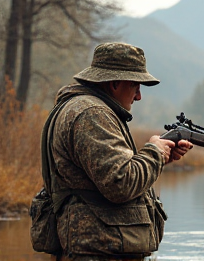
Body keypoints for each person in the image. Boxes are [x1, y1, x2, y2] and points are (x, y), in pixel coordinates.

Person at [47, 42, 193, 261]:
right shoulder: (92, 114)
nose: (139, 96)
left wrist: (160, 158)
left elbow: (103, 175)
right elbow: (120, 183)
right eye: (135, 86)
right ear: (114, 83)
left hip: (96, 249)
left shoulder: (84, 108)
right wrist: (154, 152)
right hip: (97, 252)